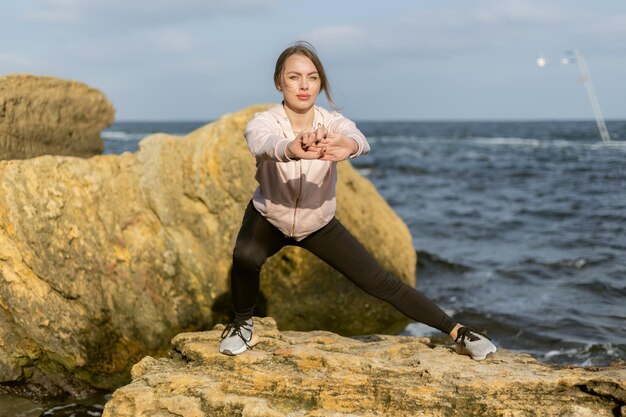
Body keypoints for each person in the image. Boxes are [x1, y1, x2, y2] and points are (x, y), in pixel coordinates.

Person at [219, 41, 497, 361]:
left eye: (312, 77)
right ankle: (242, 325)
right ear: (279, 82)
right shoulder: (264, 121)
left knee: (380, 282)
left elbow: (359, 139)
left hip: (317, 222)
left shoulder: (331, 122)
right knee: (245, 255)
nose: (304, 85)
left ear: (320, 82)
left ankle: (459, 332)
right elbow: (263, 144)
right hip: (270, 216)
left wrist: (347, 145)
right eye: (294, 77)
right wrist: (292, 149)